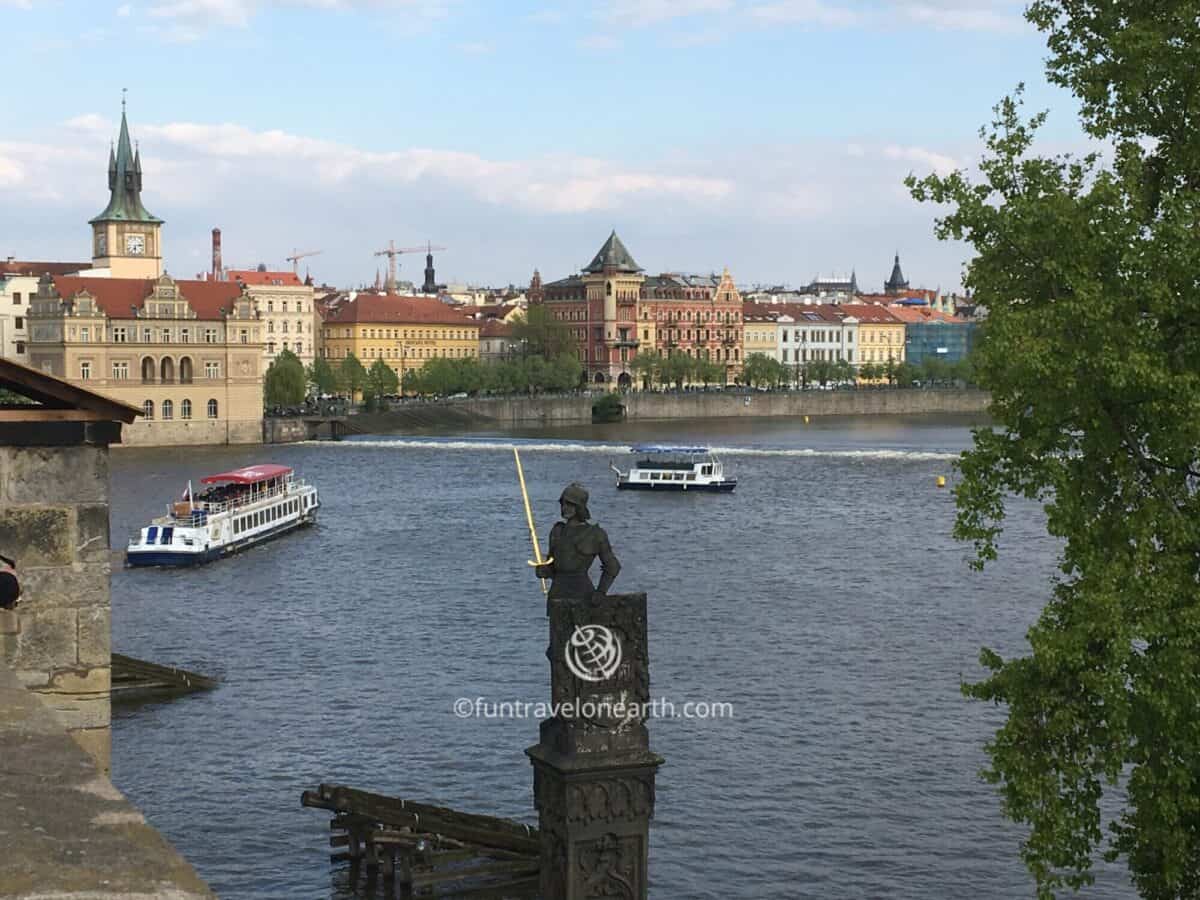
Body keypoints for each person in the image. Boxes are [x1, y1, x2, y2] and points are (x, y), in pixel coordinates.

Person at [534, 482, 620, 601]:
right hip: (557, 596)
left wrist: (600, 592)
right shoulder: (557, 531)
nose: (564, 507)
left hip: (583, 596)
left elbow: (613, 567)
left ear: (579, 507)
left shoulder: (595, 534)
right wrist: (545, 570)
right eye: (563, 503)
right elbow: (553, 567)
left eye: (570, 504)